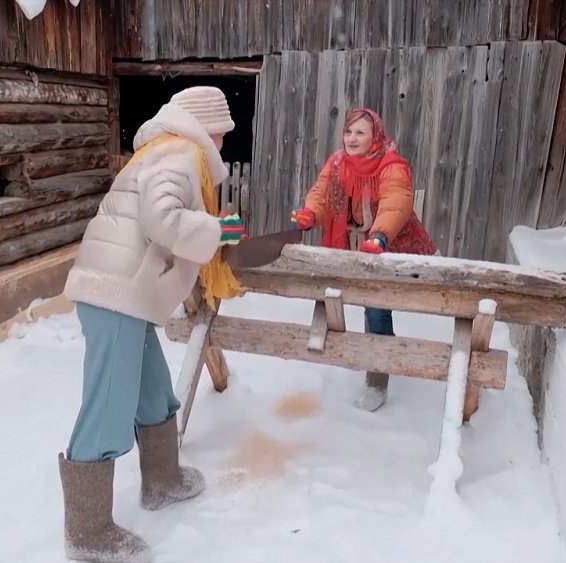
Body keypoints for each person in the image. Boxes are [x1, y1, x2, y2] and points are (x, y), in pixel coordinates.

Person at [59, 86, 244, 562]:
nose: (225, 141)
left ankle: (162, 480)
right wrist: (217, 231)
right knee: (108, 404)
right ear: (208, 127)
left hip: (126, 292)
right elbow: (162, 221)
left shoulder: (164, 151)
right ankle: (88, 530)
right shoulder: (179, 154)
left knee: (153, 390)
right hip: (115, 291)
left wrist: (210, 229)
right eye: (223, 131)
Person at [290, 108, 437, 413]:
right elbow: (322, 196)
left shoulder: (392, 165)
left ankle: (377, 379)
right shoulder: (338, 163)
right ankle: (374, 353)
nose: (352, 138)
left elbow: (395, 202)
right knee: (344, 299)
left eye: (360, 133)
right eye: (348, 132)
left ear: (375, 137)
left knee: (376, 307)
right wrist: (310, 214)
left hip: (389, 245)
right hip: (353, 245)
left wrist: (380, 235)